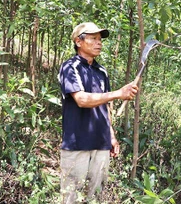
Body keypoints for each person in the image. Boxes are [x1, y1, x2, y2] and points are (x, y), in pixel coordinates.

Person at [58, 22, 138, 203]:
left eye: (100, 39)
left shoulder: (101, 71)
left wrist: (111, 136)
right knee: (71, 196)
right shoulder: (70, 67)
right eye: (93, 38)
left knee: (97, 196)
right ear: (79, 41)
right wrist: (118, 93)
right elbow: (81, 100)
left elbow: (105, 106)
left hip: (101, 143)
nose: (98, 43)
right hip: (76, 143)